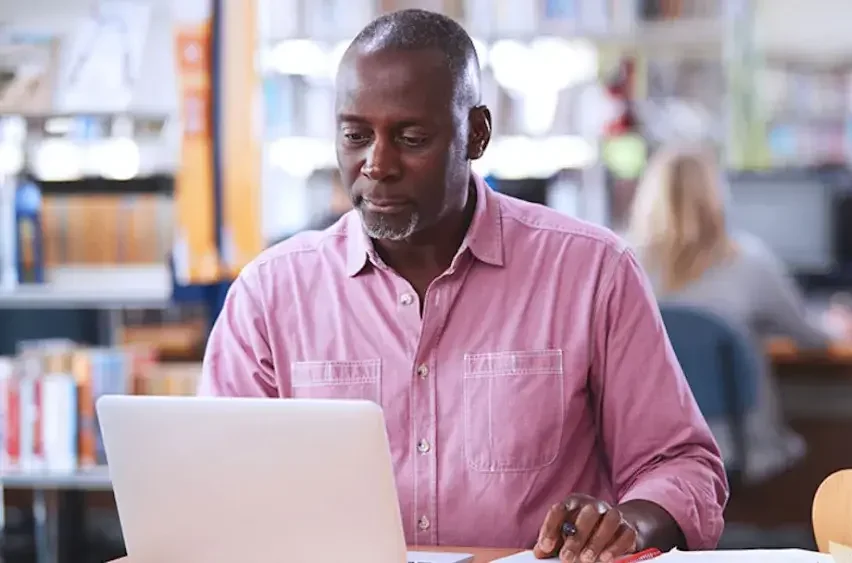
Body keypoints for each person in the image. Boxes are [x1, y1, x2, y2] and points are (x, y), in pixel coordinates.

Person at [200, 9, 727, 561]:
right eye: (355, 135)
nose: (376, 165)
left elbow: (682, 466)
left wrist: (629, 525)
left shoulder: (591, 272)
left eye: (411, 137)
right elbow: (214, 486)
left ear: (476, 133)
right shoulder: (270, 295)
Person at [628, 147, 852, 483]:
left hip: (649, 451)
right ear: (717, 197)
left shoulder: (623, 267)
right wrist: (837, 324)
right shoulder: (749, 262)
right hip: (738, 446)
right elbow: (813, 339)